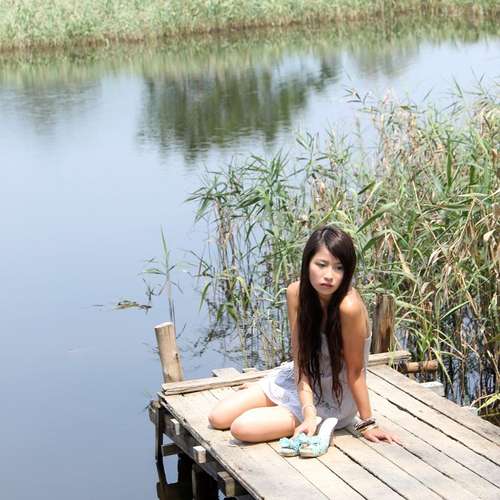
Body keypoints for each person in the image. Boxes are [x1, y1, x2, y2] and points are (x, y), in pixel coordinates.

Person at [208, 225, 401, 457]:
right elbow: (301, 359)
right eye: (321, 264)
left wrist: (367, 423)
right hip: (303, 379)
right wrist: (307, 411)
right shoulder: (296, 293)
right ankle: (281, 404)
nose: (329, 275)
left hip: (334, 395)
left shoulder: (348, 307)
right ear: (307, 263)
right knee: (217, 417)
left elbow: (355, 372)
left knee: (242, 428)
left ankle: (306, 419)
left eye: (339, 268)